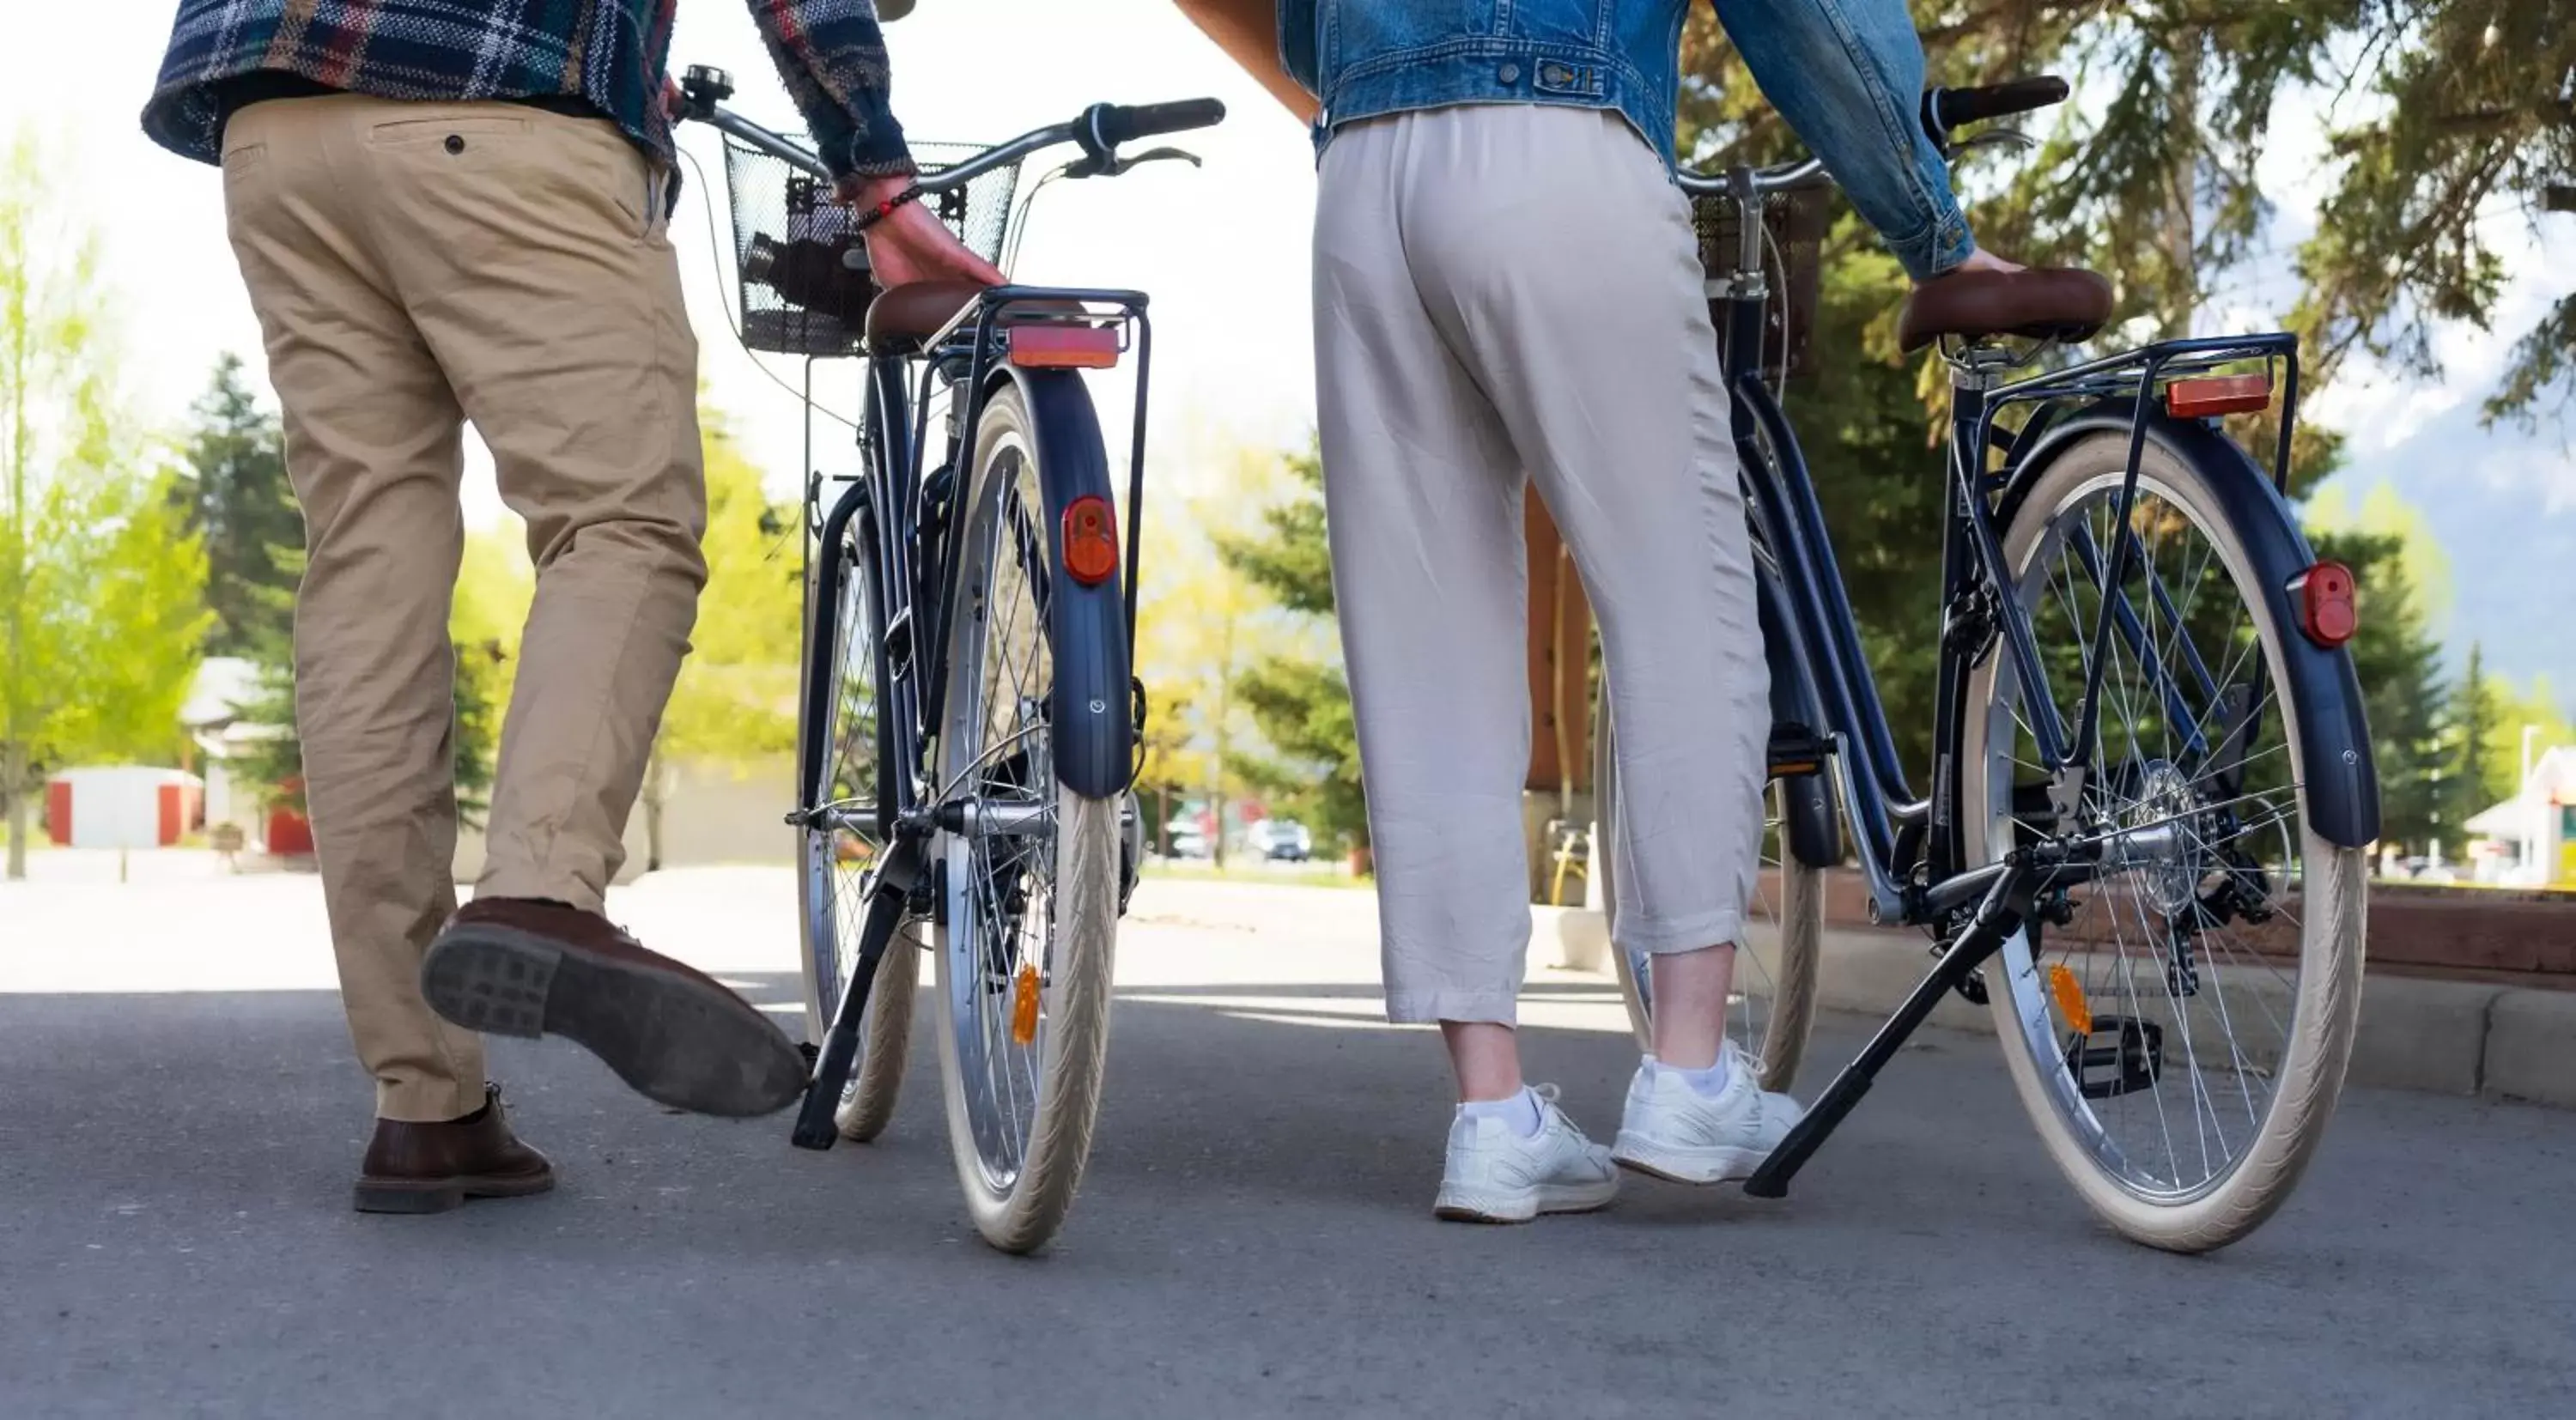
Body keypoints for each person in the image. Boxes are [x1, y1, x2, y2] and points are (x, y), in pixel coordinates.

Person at [1174, 0, 2087, 1222]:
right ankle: (1692, 1067)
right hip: (1557, 136)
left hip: (1363, 176)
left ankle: (1492, 1119)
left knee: (1426, 656)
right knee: (1688, 603)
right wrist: (1933, 229)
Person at [142, 0, 999, 1215]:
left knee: (365, 574)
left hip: (271, 131)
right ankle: (541, 886)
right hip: (497, 103)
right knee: (623, 522)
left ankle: (425, 1107)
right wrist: (876, 169)